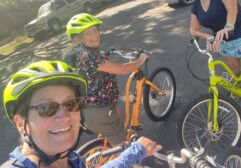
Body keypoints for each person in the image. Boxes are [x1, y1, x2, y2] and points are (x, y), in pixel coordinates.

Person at [1, 60, 161, 168]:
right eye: (47, 108)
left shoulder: (71, 158)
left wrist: (134, 154)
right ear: (21, 123)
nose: (64, 117)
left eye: (71, 104)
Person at [63, 13, 149, 145]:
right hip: (99, 112)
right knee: (126, 153)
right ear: (78, 39)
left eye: (95, 30)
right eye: (88, 33)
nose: (95, 35)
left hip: (87, 109)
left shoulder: (78, 54)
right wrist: (140, 60)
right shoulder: (90, 57)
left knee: (116, 119)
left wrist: (102, 53)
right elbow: (122, 69)